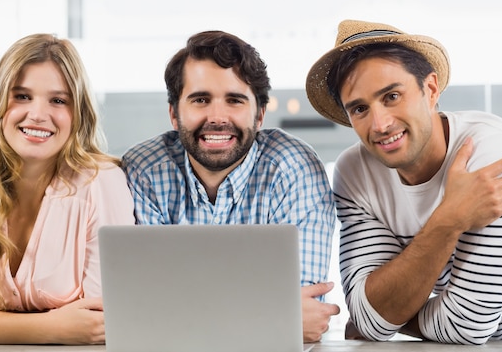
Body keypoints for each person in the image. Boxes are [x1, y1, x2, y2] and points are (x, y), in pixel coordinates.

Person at [305, 19, 502, 344]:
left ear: (430, 90)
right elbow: (366, 316)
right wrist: (449, 219)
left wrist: (393, 320)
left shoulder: (497, 155)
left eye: (391, 96)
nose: (380, 124)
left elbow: (466, 326)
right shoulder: (354, 172)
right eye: (360, 108)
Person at [122, 30, 340, 342]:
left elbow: (306, 313)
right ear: (173, 113)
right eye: (200, 99)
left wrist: (183, 311)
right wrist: (272, 316)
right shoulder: (144, 171)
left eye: (234, 100)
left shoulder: (293, 167)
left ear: (260, 114)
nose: (217, 117)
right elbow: (138, 312)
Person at [0, 33, 135, 344]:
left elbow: (99, 321)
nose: (37, 114)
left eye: (58, 100)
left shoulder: (101, 182)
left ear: (78, 114)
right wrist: (52, 328)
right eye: (21, 96)